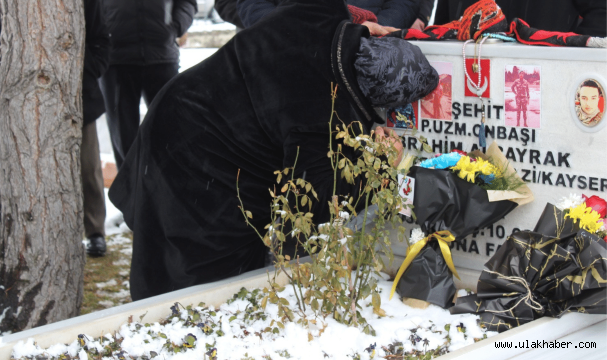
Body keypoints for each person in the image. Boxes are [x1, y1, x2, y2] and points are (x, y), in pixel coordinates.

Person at [109, 0, 438, 301]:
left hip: (176, 109)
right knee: (207, 285)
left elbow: (316, 8)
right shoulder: (319, 119)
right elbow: (311, 210)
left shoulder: (324, 22)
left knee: (161, 250)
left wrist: (358, 28)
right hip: (200, 160)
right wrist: (380, 167)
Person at [0, 0, 110, 256]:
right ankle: (28, 237)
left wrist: (76, 70)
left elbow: (101, 40)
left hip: (78, 93)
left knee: (88, 167)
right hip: (24, 100)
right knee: (27, 173)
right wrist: (18, 73)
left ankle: (95, 230)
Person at [99, 0, 197, 170]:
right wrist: (104, 31)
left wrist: (176, 26)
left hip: (162, 56)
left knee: (170, 135)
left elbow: (187, 2)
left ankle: (167, 192)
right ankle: (131, 193)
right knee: (124, 140)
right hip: (116, 60)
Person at [434, 0, 606, 37]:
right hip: (465, 92)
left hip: (543, 85)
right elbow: (443, 26)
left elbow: (601, 15)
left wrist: (565, 51)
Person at [238, 0, 419, 29]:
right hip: (288, 56)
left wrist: (374, 28)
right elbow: (253, 3)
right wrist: (285, 28)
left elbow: (404, 2)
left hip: (368, 53)